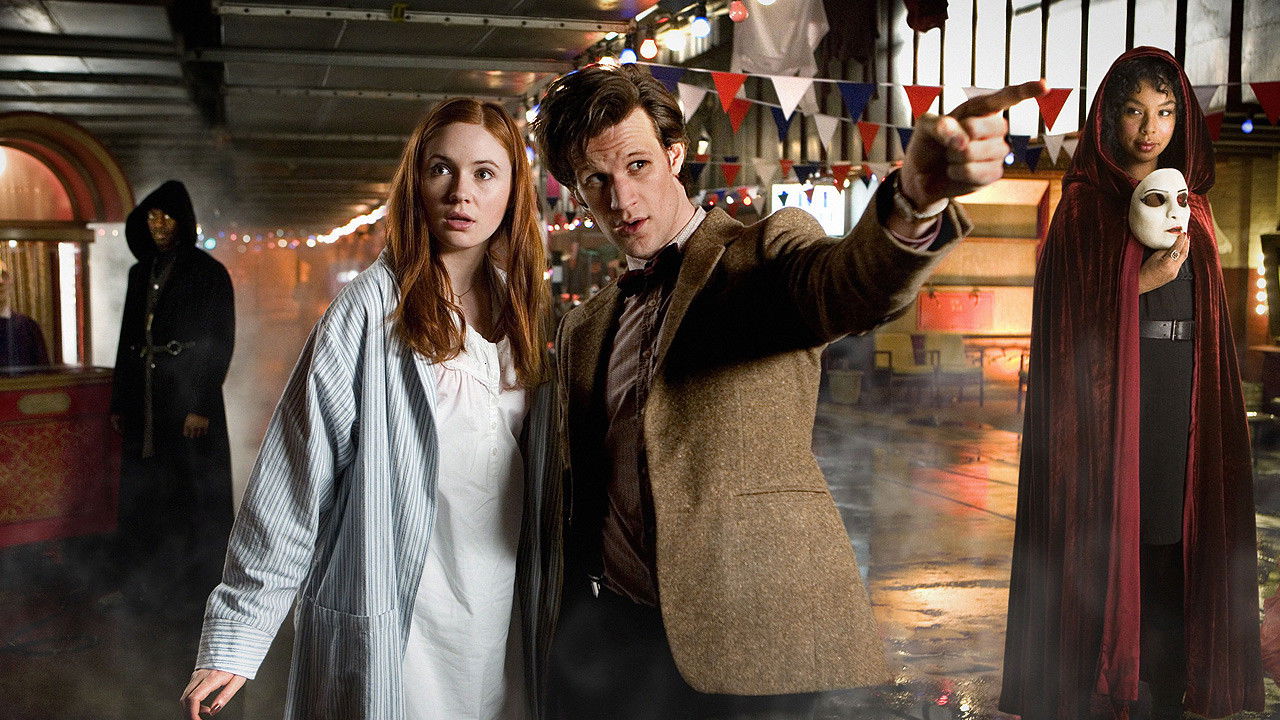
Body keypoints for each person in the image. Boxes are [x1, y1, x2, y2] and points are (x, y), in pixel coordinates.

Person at [529, 63, 1045, 717]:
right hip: (623, 640)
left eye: (638, 166)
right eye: (597, 181)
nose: (622, 199)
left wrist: (916, 201)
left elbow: (850, 283)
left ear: (675, 155)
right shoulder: (584, 327)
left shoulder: (761, 253)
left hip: (757, 636)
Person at [180, 98, 554, 720]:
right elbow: (293, 477)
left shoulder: (525, 314)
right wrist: (239, 633)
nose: (460, 192)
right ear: (416, 183)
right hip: (402, 615)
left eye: (485, 173)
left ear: (514, 190)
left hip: (498, 610)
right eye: (441, 169)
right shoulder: (370, 313)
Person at [1001, 47, 1263, 720]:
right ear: (1107, 117)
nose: (1151, 128)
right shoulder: (1084, 209)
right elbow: (1064, 322)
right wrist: (1138, 282)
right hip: (1110, 401)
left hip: (1184, 391)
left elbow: (1211, 320)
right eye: (1135, 112)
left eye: (1166, 112)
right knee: (1118, 544)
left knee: (1177, 542)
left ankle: (1168, 693)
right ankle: (1110, 691)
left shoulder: (1194, 207)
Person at [111, 180, 236, 708]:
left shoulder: (209, 273)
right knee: (151, 492)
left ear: (183, 221)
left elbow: (221, 338)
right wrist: (120, 398)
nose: (159, 226)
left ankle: (198, 591)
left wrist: (201, 403)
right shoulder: (140, 273)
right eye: (152, 218)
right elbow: (127, 338)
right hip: (147, 404)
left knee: (193, 495)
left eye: (167, 218)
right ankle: (151, 584)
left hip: (189, 403)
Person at [0, 258, 50, 368]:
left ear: (10, 281)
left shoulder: (28, 326)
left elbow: (44, 372)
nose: (1, 281)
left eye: (4, 275)